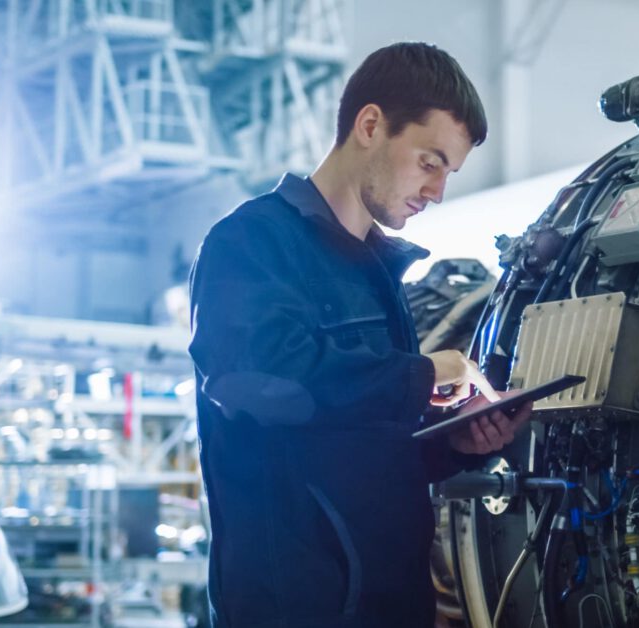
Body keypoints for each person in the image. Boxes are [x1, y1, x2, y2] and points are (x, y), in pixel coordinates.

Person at [188, 42, 530, 627]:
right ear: (370, 125)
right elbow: (263, 381)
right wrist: (427, 372)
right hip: (296, 608)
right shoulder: (251, 242)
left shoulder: (377, 273)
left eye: (448, 172)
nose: (438, 191)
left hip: (392, 604)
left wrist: (453, 444)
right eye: (430, 161)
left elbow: (361, 443)